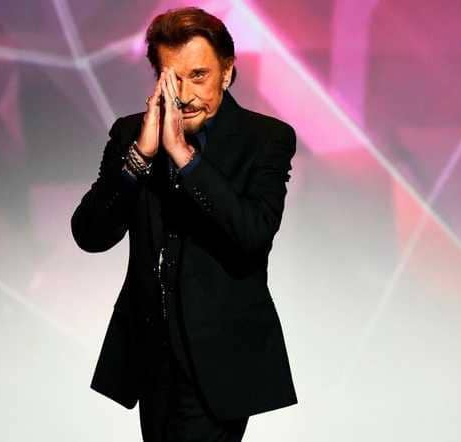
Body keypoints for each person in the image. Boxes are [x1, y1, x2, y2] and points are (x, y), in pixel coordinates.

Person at [71, 6, 298, 441]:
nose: (187, 94)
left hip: (220, 359)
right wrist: (141, 157)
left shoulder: (266, 139)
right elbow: (90, 234)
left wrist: (184, 157)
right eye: (173, 79)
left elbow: (252, 235)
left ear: (226, 73)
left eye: (198, 76)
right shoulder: (131, 135)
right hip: (151, 356)